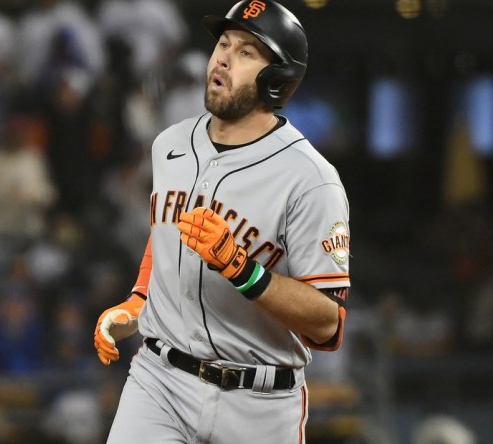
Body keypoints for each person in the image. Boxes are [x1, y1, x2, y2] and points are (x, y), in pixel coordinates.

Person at [93, 1, 351, 442]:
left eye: (247, 52)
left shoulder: (311, 179)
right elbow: (165, 239)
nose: (224, 57)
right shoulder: (169, 144)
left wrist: (242, 268)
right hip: (160, 382)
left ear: (277, 79)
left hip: (259, 402)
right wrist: (136, 303)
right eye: (224, 44)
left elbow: (328, 323)